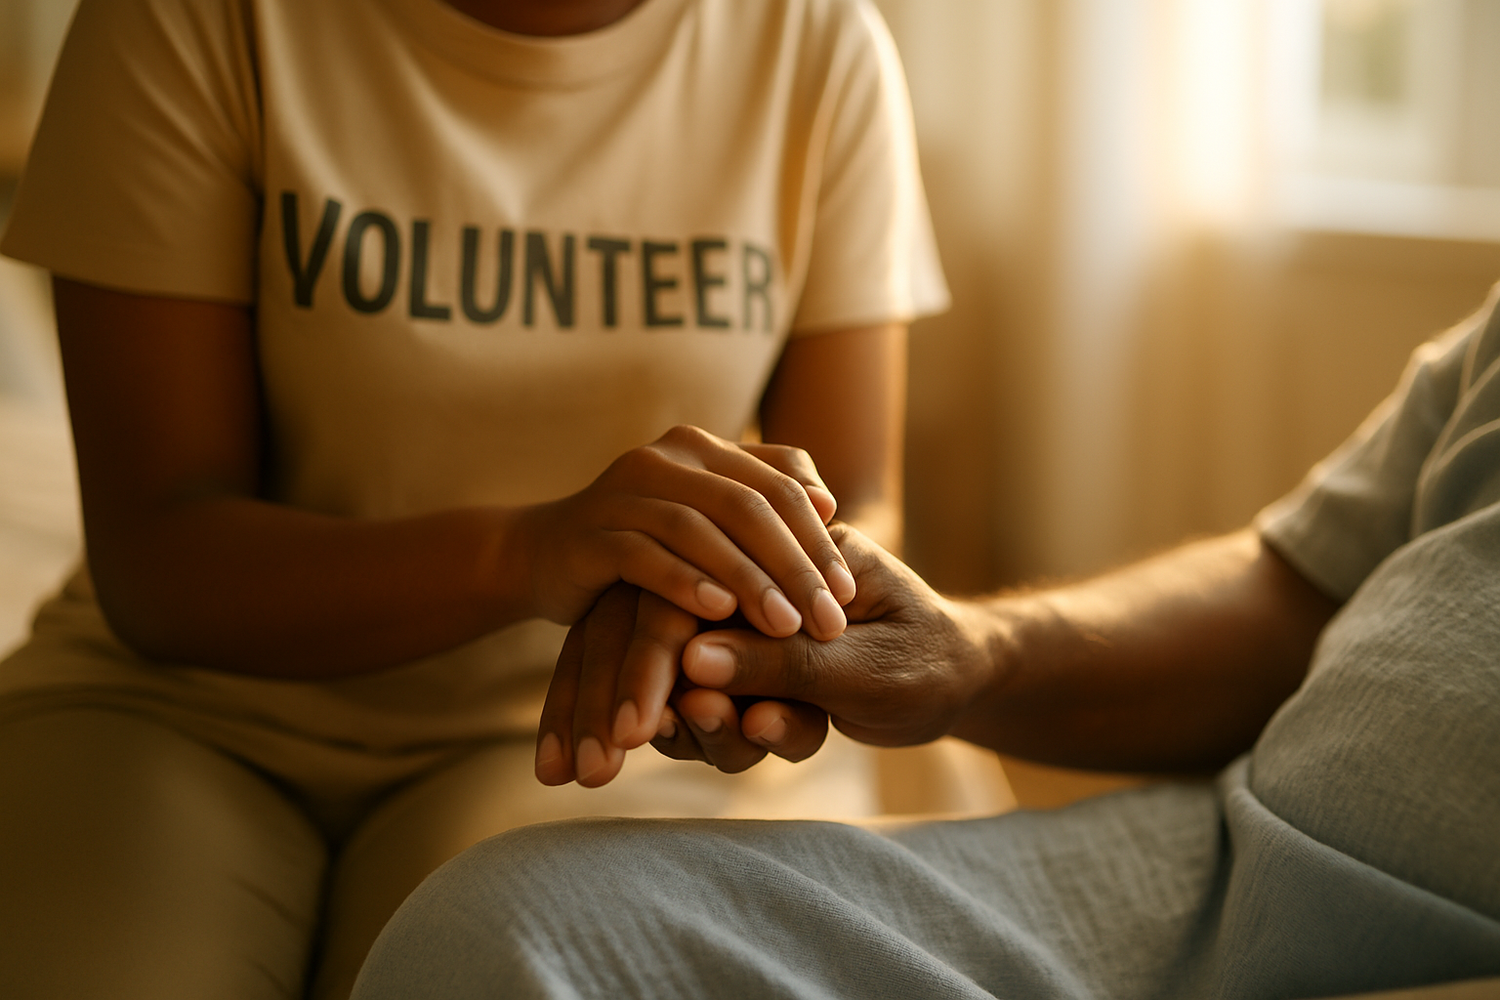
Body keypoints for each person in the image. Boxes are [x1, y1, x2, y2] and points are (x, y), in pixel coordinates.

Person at [0, 0, 950, 997]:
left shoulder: (813, 43)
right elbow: (158, 560)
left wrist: (733, 615)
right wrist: (531, 553)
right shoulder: (191, 21)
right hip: (182, 704)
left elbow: (855, 507)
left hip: (576, 732)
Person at [348, 288, 1500, 999]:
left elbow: (854, 482)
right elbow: (1299, 590)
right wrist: (974, 654)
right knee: (497, 943)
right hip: (1209, 866)